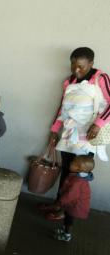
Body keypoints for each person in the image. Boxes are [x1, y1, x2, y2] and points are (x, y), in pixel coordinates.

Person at [49, 47, 110, 197]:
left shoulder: (100, 78)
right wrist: (54, 130)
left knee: (79, 175)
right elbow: (63, 106)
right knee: (66, 169)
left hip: (88, 135)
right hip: (69, 133)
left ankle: (69, 214)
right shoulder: (69, 81)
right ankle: (59, 204)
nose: (76, 70)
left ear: (91, 63)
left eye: (81, 67)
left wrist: (98, 124)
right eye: (73, 65)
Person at [47, 156, 94, 242]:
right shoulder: (76, 175)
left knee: (69, 220)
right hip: (72, 203)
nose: (70, 163)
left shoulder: (78, 181)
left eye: (73, 162)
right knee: (67, 218)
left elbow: (70, 195)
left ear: (79, 168)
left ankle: (66, 235)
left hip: (75, 206)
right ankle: (64, 230)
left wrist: (60, 201)